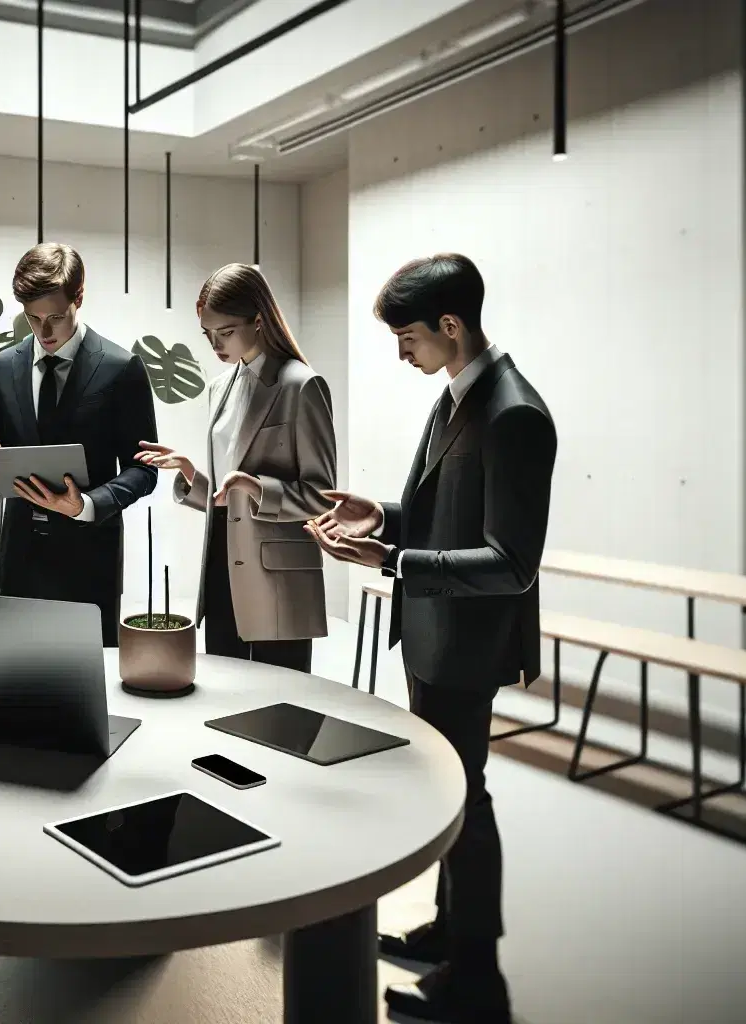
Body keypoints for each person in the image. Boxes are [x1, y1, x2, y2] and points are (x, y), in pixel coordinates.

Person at [307, 252, 555, 1024]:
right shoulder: (456, 396)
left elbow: (512, 564)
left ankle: (477, 975)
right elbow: (443, 512)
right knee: (452, 795)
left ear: (451, 326)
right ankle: (450, 932)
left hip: (468, 645)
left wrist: (391, 560)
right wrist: (379, 515)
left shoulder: (514, 412)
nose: (400, 352)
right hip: (434, 635)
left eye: (407, 337)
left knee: (465, 801)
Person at [135, 263, 336, 672]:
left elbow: (322, 498)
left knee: (284, 707)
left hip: (278, 579)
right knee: (228, 700)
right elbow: (230, 496)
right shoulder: (220, 387)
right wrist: (193, 475)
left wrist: (259, 487)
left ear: (259, 320)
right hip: (222, 567)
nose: (214, 345)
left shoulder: (302, 385)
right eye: (207, 334)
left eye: (224, 332)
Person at [0, 243, 158, 644]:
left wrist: (86, 506)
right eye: (33, 318)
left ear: (79, 297)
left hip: (90, 565)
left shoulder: (121, 368)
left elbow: (144, 469)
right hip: (20, 563)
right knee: (20, 694)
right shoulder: (4, 367)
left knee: (92, 696)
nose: (45, 331)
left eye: (56, 316)